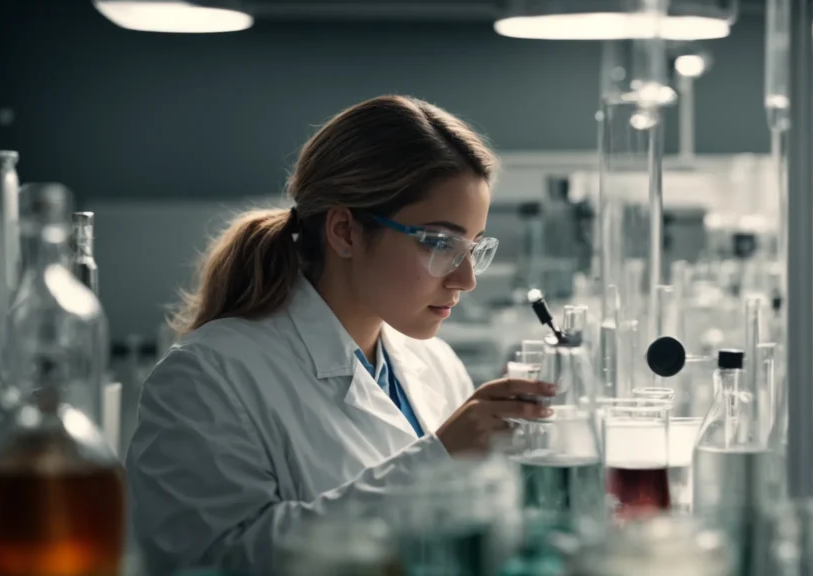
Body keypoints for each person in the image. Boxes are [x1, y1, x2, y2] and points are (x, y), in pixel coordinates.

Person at [127, 95, 556, 576]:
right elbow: (209, 560)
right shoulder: (207, 376)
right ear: (344, 232)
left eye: (474, 248)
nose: (465, 279)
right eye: (440, 243)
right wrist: (436, 462)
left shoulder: (437, 363)